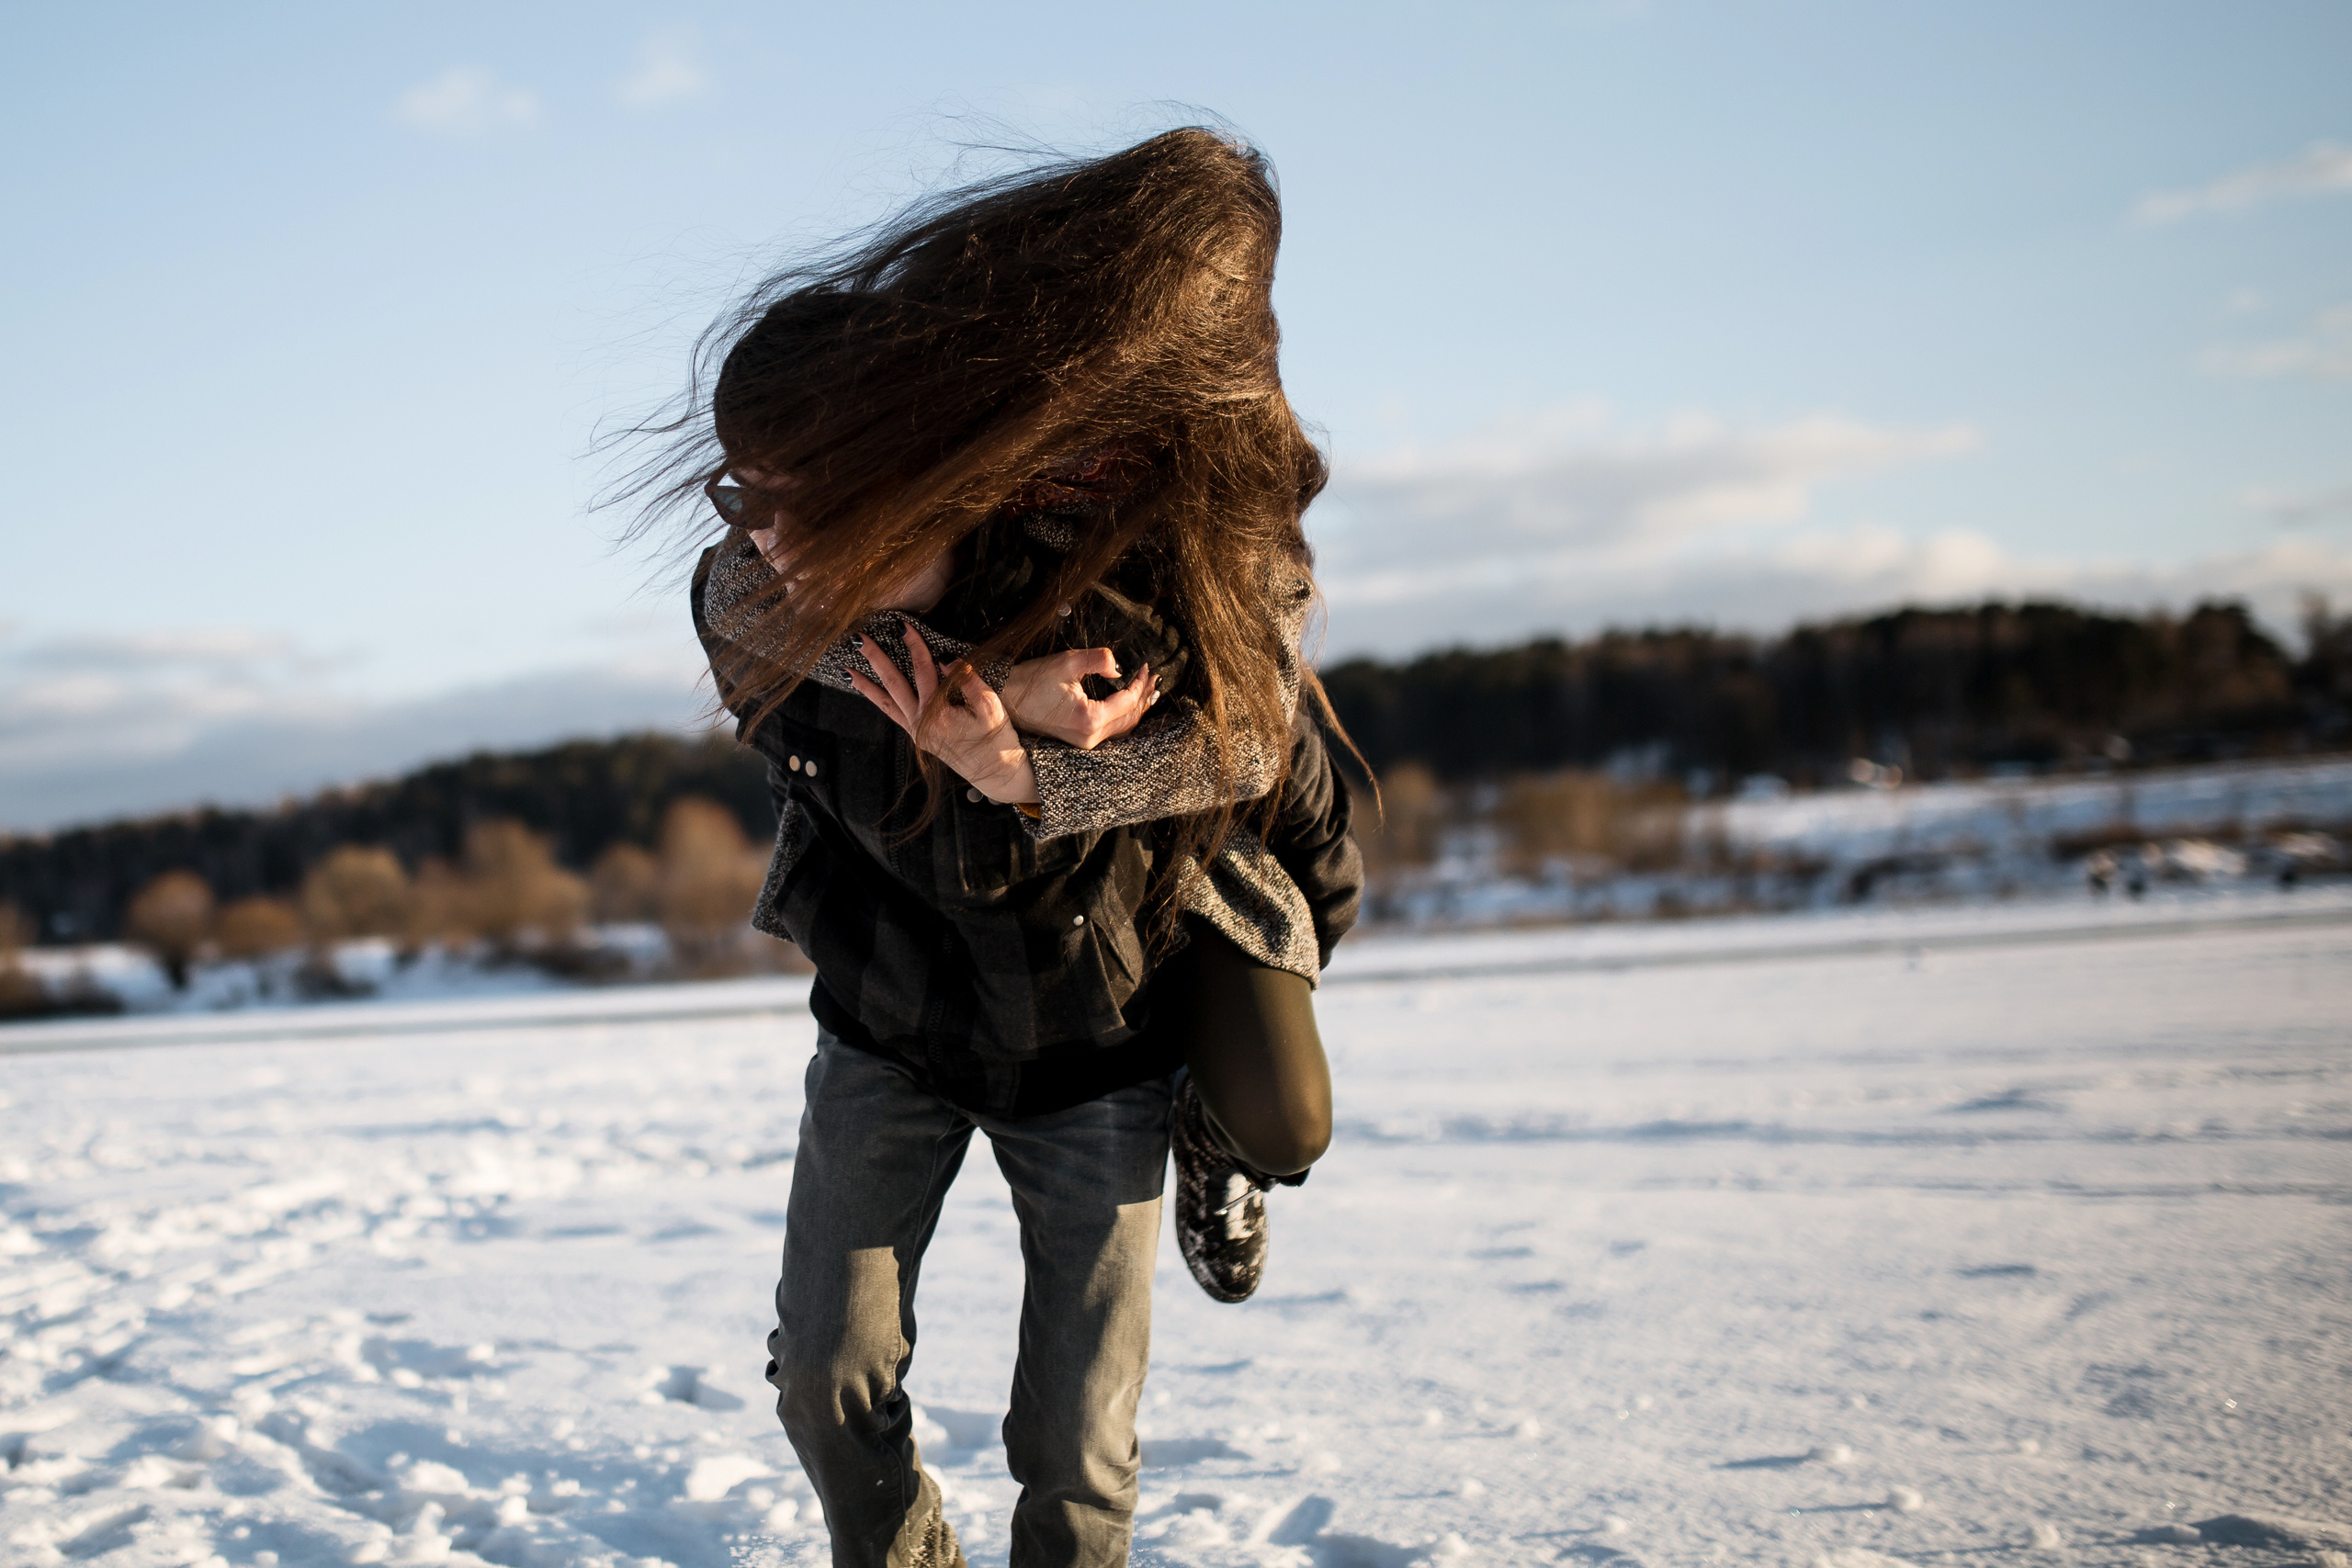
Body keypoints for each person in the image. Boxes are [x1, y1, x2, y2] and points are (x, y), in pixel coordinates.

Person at [672, 128, 1362, 1568]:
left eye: (800, 494)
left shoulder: (1125, 582)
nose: (767, 535)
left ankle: (1223, 1137)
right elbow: (743, 607)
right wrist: (940, 685)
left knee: (1077, 1448)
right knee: (823, 1377)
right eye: (746, 493)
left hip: (1093, 1041)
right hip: (891, 1030)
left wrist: (1039, 773)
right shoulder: (757, 601)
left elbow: (1243, 747)